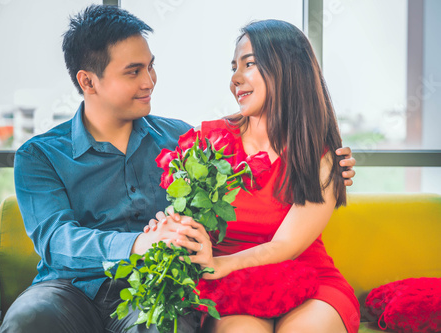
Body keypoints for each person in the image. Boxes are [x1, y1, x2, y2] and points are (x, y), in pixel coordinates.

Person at [0, 5, 356, 333]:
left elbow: (263, 162)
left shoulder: (184, 140)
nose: (149, 81)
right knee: (30, 317)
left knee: (166, 324)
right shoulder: (39, 155)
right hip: (69, 288)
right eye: (133, 72)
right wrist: (141, 242)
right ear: (88, 82)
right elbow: (57, 241)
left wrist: (328, 163)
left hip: (156, 288)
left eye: (150, 66)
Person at [149, 20, 360, 333]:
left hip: (307, 280)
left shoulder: (321, 155)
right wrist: (172, 228)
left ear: (287, 69)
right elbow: (185, 211)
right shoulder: (206, 141)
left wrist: (219, 264)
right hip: (229, 287)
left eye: (248, 64)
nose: (235, 78)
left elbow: (285, 245)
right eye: (234, 67)